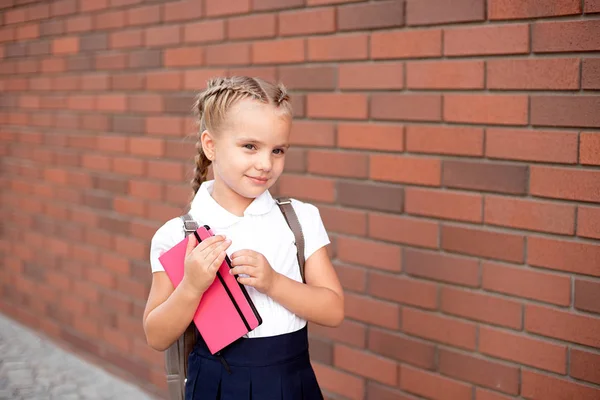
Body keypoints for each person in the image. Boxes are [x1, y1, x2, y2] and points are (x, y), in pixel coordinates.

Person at [143, 76, 345, 400]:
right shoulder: (177, 235)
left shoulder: (299, 220)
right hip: (217, 386)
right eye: (250, 146)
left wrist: (274, 283)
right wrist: (192, 286)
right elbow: (156, 334)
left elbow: (333, 310)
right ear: (211, 146)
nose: (265, 164)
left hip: (292, 383)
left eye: (278, 150)